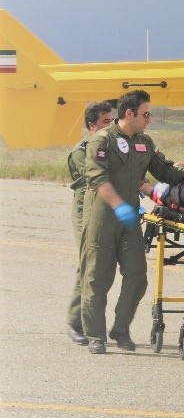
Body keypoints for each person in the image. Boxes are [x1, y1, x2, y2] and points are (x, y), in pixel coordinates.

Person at [81, 89, 184, 354]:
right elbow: (97, 179)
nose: (149, 119)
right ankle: (96, 336)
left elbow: (164, 170)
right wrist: (118, 206)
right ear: (129, 113)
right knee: (98, 278)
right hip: (103, 217)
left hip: (129, 219)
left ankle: (120, 329)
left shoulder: (145, 142)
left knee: (137, 276)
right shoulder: (102, 140)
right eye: (146, 114)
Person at [65, 101, 116, 346]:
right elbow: (97, 179)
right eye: (106, 122)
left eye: (113, 121)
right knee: (88, 263)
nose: (111, 126)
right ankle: (76, 322)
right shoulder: (81, 151)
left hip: (109, 207)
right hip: (86, 207)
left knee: (104, 267)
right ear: (91, 126)